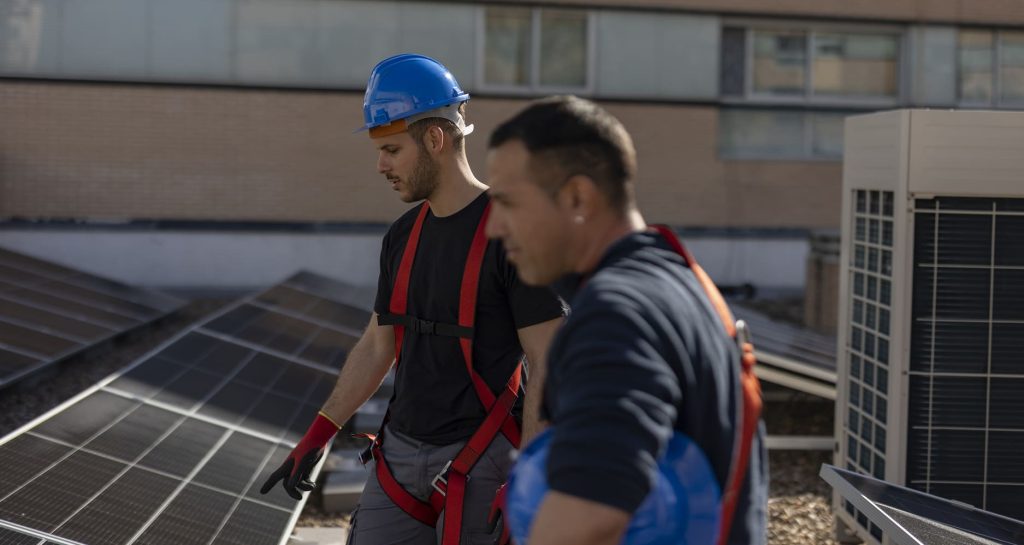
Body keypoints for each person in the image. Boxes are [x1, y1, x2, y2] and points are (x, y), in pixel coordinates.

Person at [260, 54, 565, 545]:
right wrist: (320, 432)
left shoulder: (515, 232)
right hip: (398, 457)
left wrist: (530, 476)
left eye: (391, 150)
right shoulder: (402, 236)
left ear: (435, 139)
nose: (381, 165)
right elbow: (377, 345)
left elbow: (549, 357)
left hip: (485, 460)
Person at [483, 95, 768, 545]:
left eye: (507, 202)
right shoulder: (677, 280)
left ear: (577, 197)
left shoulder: (614, 316)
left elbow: (589, 514)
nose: (493, 227)